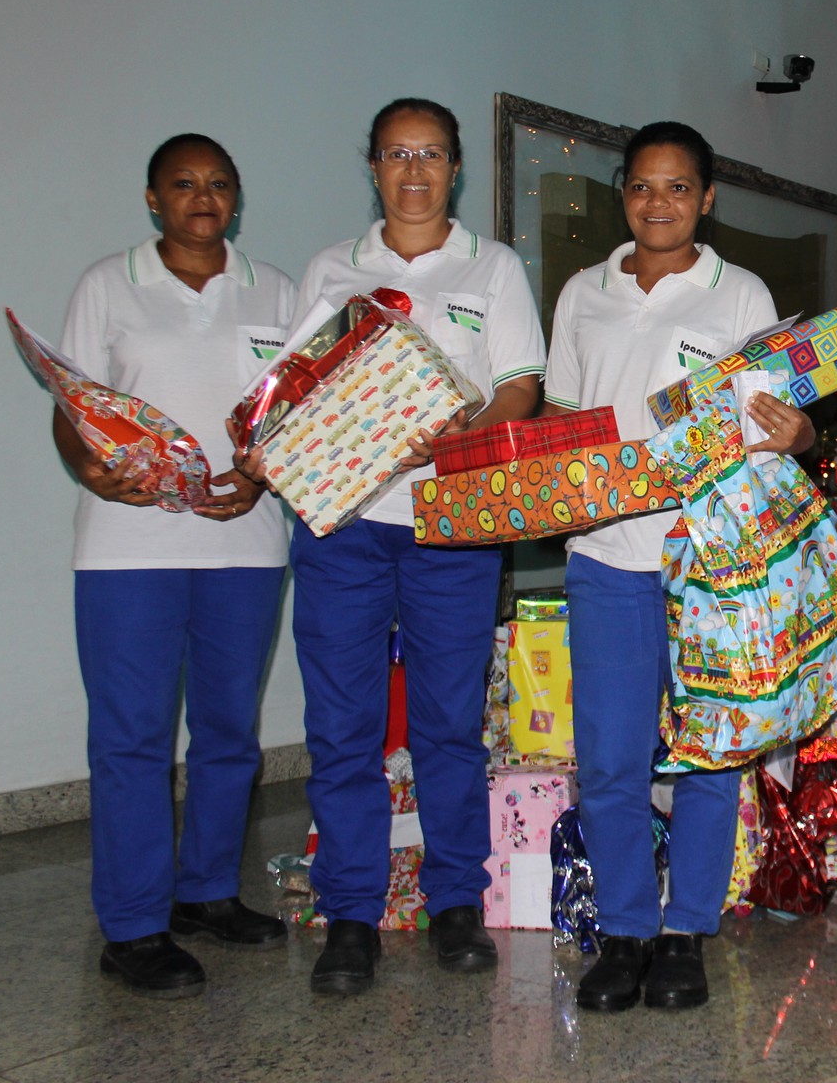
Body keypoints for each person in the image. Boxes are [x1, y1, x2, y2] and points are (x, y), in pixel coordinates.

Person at [542, 121, 816, 1013]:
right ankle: (624, 931)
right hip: (606, 559)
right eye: (641, 187)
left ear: (706, 198)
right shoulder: (583, 291)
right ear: (622, 194)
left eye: (677, 187)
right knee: (613, 759)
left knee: (708, 756)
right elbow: (561, 418)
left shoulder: (740, 294)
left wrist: (802, 434)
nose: (658, 203)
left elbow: (776, 421)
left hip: (710, 563)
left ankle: (687, 930)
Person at [279, 98, 545, 995]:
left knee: (447, 724)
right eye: (397, 153)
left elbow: (520, 387)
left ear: (456, 168)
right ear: (374, 166)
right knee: (343, 726)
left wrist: (456, 439)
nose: (415, 170)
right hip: (344, 524)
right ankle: (349, 914)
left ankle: (455, 904)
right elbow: (294, 396)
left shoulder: (494, 268)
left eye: (432, 153)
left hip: (451, 524)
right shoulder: (329, 270)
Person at [56, 133, 297, 998]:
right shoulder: (107, 284)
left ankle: (205, 893)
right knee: (134, 740)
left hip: (247, 541)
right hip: (129, 550)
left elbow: (294, 414)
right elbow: (74, 402)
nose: (204, 197)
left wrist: (261, 471)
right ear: (152, 198)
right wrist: (89, 469)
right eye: (184, 184)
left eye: (220, 184)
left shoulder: (275, 289)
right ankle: (133, 924)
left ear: (238, 198)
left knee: (230, 734)